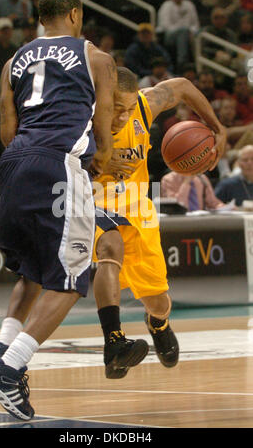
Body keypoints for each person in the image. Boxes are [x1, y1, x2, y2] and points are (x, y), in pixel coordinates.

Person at [0, 0, 117, 421]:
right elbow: (105, 133)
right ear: (75, 15)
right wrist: (99, 164)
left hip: (12, 165)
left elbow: (5, 129)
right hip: (57, 163)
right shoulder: (96, 58)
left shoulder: (13, 60)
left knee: (33, 273)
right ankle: (9, 368)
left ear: (41, 17)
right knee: (73, 276)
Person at [91, 68, 226, 378]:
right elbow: (53, 152)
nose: (123, 117)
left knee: (159, 301)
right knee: (108, 253)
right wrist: (94, 159)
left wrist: (217, 127)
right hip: (94, 202)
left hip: (138, 209)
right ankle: (114, 343)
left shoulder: (144, 105)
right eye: (116, 108)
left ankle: (158, 324)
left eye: (128, 109)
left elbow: (181, 86)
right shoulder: (84, 115)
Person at [157, 0, 200, 73]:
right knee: (183, 32)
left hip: (189, 34)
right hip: (169, 36)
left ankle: (198, 65)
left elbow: (195, 24)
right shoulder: (166, 5)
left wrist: (190, 31)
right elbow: (165, 25)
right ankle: (182, 63)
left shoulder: (189, 5)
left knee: (194, 35)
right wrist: (182, 30)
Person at [161, 172, 225, 211]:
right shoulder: (168, 179)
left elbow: (213, 203)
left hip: (199, 221)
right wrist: (186, 182)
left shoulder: (202, 178)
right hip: (178, 222)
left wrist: (226, 207)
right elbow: (177, 206)